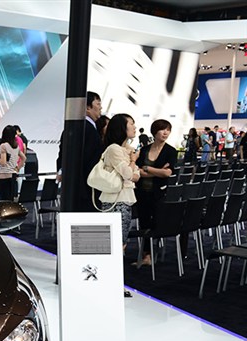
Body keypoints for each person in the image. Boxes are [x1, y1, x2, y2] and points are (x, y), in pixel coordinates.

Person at [135, 119, 176, 265]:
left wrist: (148, 168)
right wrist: (157, 171)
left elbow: (167, 173)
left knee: (156, 223)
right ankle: (146, 255)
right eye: (162, 129)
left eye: (168, 130)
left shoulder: (170, 151)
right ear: (154, 131)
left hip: (159, 193)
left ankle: (154, 252)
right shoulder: (144, 150)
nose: (166, 132)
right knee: (144, 223)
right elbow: (137, 171)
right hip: (142, 192)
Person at [98, 114, 140, 251]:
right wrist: (133, 161)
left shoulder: (129, 149)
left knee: (121, 241)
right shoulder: (114, 149)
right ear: (122, 127)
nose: (134, 127)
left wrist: (132, 170)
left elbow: (136, 175)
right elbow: (128, 174)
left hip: (125, 199)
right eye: (131, 124)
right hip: (115, 200)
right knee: (115, 242)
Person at [56, 91, 103, 212]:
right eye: (98, 104)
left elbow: (62, 155)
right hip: (87, 189)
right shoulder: (88, 129)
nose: (101, 107)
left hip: (75, 188)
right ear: (87, 107)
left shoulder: (73, 127)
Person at [0, 125, 26, 201]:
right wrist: (18, 168)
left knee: (3, 200)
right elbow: (24, 158)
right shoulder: (16, 146)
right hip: (13, 174)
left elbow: (3, 162)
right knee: (11, 199)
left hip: (4, 175)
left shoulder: (3, 146)